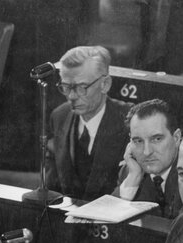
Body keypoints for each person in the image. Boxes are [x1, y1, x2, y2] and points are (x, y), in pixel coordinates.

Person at [47, 46, 130, 201]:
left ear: (105, 84)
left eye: (81, 87)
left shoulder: (129, 122)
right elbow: (52, 183)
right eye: (65, 87)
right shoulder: (59, 116)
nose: (71, 96)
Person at [115, 99, 183, 218]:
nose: (147, 152)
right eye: (138, 141)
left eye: (156, 139)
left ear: (176, 138)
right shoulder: (129, 172)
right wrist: (133, 177)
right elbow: (106, 222)